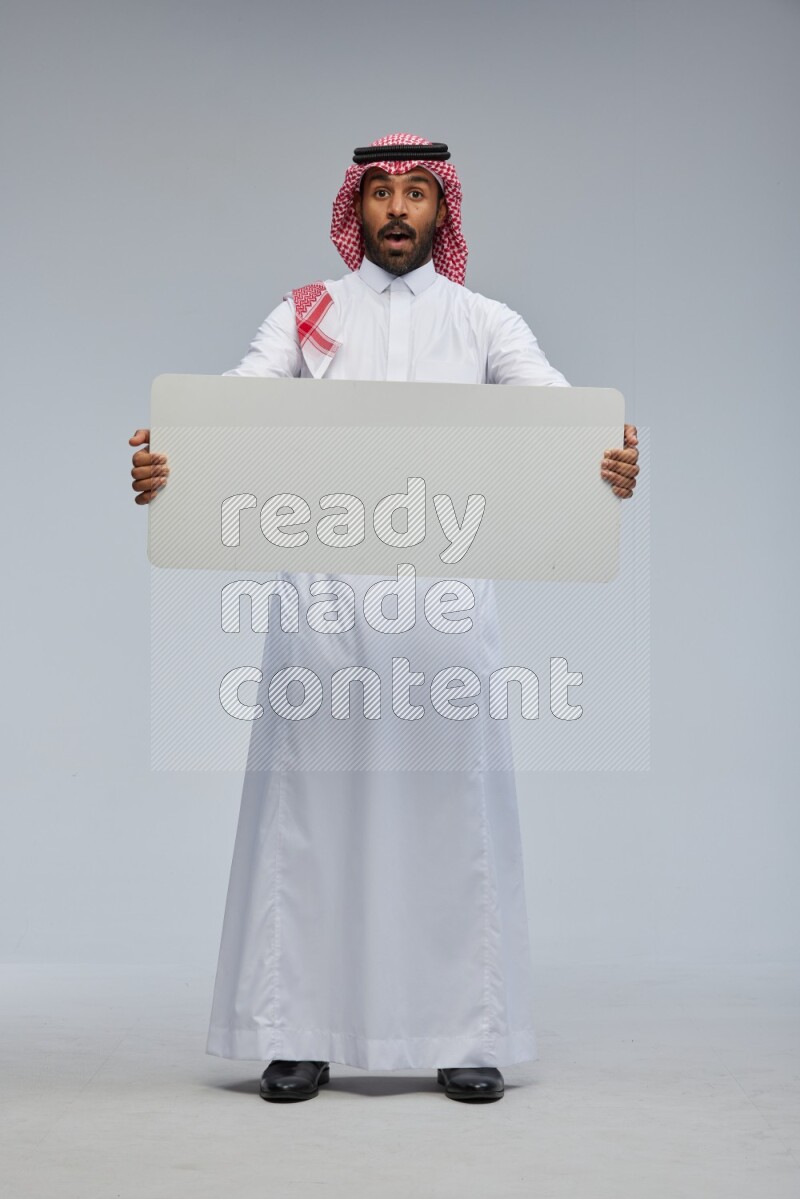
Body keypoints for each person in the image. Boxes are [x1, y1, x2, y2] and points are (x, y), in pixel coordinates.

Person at [129, 133, 639, 1105]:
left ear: (442, 211)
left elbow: (559, 420)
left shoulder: (484, 321)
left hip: (444, 614)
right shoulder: (305, 314)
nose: (397, 210)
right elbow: (230, 409)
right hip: (321, 609)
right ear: (353, 209)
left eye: (415, 193)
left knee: (451, 815)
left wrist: (603, 460)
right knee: (308, 818)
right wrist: (173, 460)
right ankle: (294, 1031)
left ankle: (466, 1031)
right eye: (380, 194)